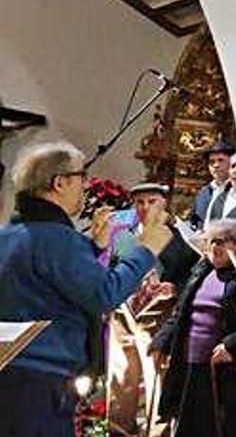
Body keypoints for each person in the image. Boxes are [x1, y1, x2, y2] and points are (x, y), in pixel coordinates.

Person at [0, 141, 171, 437]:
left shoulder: (8, 236)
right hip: (42, 380)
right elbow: (103, 295)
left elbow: (46, 286)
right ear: (60, 183)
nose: (87, 185)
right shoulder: (58, 239)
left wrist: (93, 249)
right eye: (82, 177)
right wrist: (146, 250)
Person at [149, 219, 236, 437]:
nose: (212, 248)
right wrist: (162, 341)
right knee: (188, 427)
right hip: (190, 363)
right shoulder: (202, 270)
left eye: (219, 242)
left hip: (227, 368)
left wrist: (232, 344)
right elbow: (181, 313)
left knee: (224, 428)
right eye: (209, 242)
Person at [190, 138, 236, 229]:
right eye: (211, 162)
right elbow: (195, 221)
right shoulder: (203, 193)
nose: (216, 165)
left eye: (221, 160)